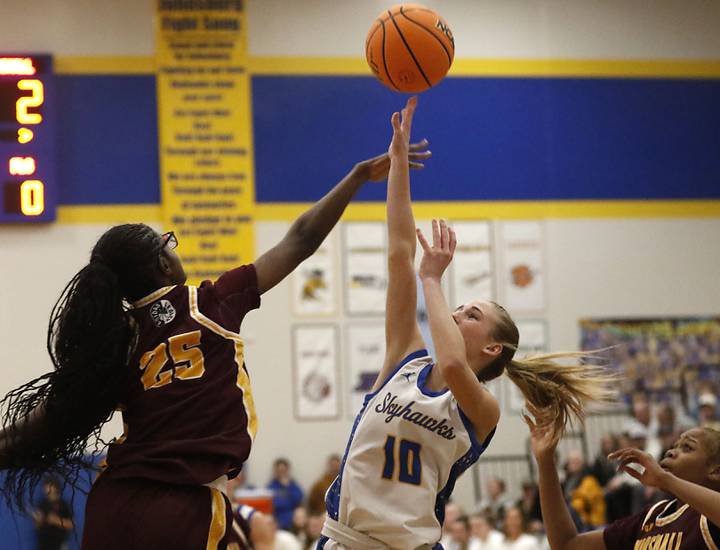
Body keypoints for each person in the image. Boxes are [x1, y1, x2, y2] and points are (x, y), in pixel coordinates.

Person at [0, 137, 432, 548]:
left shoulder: (113, 345)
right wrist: (358, 177)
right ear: (164, 263)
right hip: (183, 507)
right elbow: (299, 241)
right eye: (170, 241)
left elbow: (13, 440)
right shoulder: (210, 303)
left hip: (114, 503)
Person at [318, 96, 614, 549]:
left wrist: (432, 277)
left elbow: (455, 367)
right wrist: (398, 164)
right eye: (459, 307)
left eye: (471, 314)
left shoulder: (482, 409)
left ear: (493, 348)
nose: (456, 313)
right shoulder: (403, 360)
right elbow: (400, 253)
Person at [525, 409, 720, 549]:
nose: (671, 451)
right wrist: (545, 461)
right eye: (675, 445)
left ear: (716, 471)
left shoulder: (706, 518)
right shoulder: (652, 517)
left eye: (687, 448)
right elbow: (566, 544)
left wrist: (665, 479)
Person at [32, 477, 73, 550]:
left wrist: (55, 520)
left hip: (59, 544)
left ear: (56, 487)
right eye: (45, 486)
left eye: (49, 486)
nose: (46, 488)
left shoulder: (63, 505)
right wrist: (37, 521)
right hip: (43, 544)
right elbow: (38, 527)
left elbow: (70, 525)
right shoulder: (42, 504)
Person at [267, 458, 304, 530]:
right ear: (275, 471)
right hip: (277, 521)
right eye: (279, 471)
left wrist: (287, 487)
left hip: (294, 522)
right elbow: (275, 504)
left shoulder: (293, 485)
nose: (282, 474)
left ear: (287, 471)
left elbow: (298, 499)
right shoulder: (271, 487)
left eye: (284, 471)